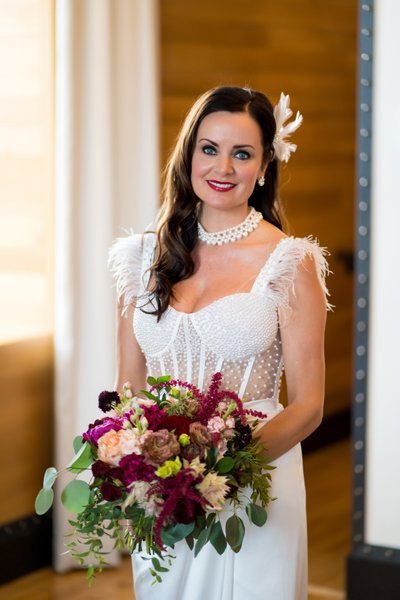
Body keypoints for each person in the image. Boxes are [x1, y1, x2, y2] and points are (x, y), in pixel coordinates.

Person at [109, 86, 331, 600]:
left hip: (255, 482)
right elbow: (128, 385)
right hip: (163, 489)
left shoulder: (289, 263)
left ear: (265, 164)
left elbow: (309, 406)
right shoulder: (141, 257)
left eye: (242, 153)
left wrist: (219, 471)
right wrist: (149, 468)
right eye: (209, 148)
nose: (223, 167)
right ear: (189, 154)